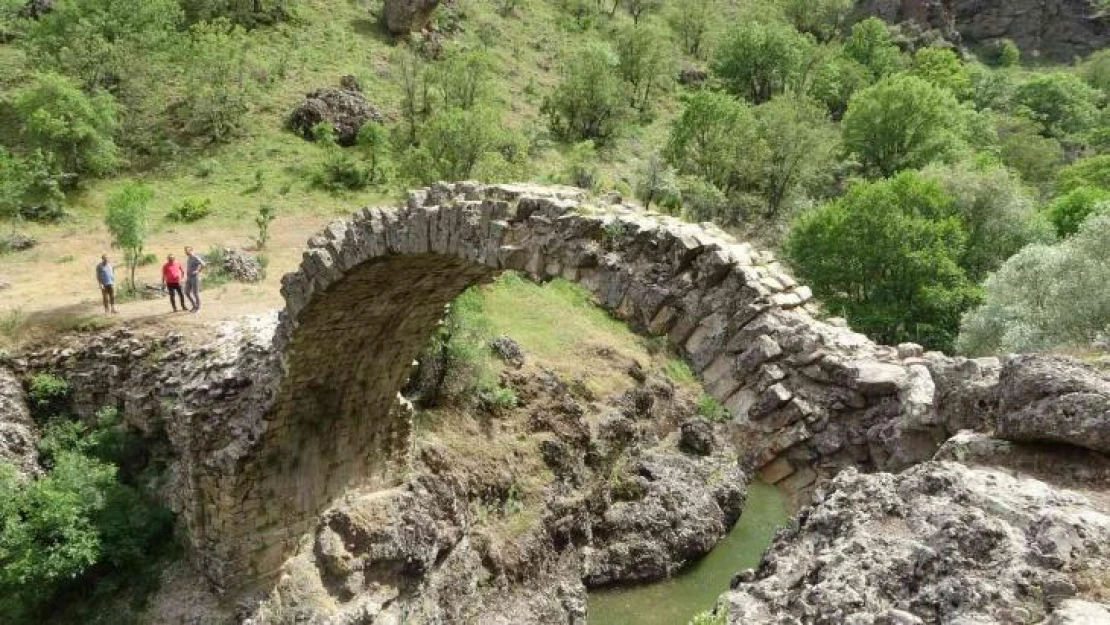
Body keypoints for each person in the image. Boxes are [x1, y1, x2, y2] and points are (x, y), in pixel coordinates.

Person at [184, 246, 206, 313]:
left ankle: (198, 308)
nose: (186, 252)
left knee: (195, 293)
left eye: (187, 250)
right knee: (186, 292)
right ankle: (194, 305)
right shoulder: (188, 258)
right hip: (189, 278)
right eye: (185, 251)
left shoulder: (195, 257)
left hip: (195, 277)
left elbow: (203, 264)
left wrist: (198, 271)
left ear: (191, 250)